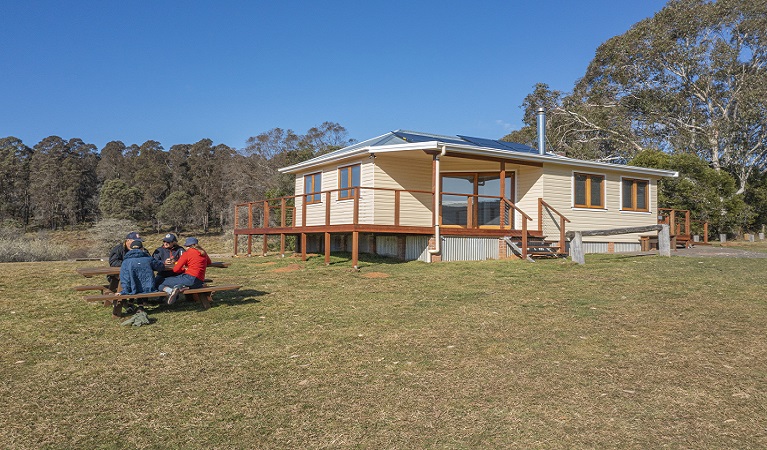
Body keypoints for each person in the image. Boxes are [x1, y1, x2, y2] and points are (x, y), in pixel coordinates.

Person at [156, 237, 211, 305]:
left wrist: (184, 268)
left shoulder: (187, 253)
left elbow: (176, 269)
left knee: (159, 281)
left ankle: (170, 291)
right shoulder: (203, 252)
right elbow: (208, 262)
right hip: (199, 281)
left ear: (188, 246)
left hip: (189, 278)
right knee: (179, 281)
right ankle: (179, 287)